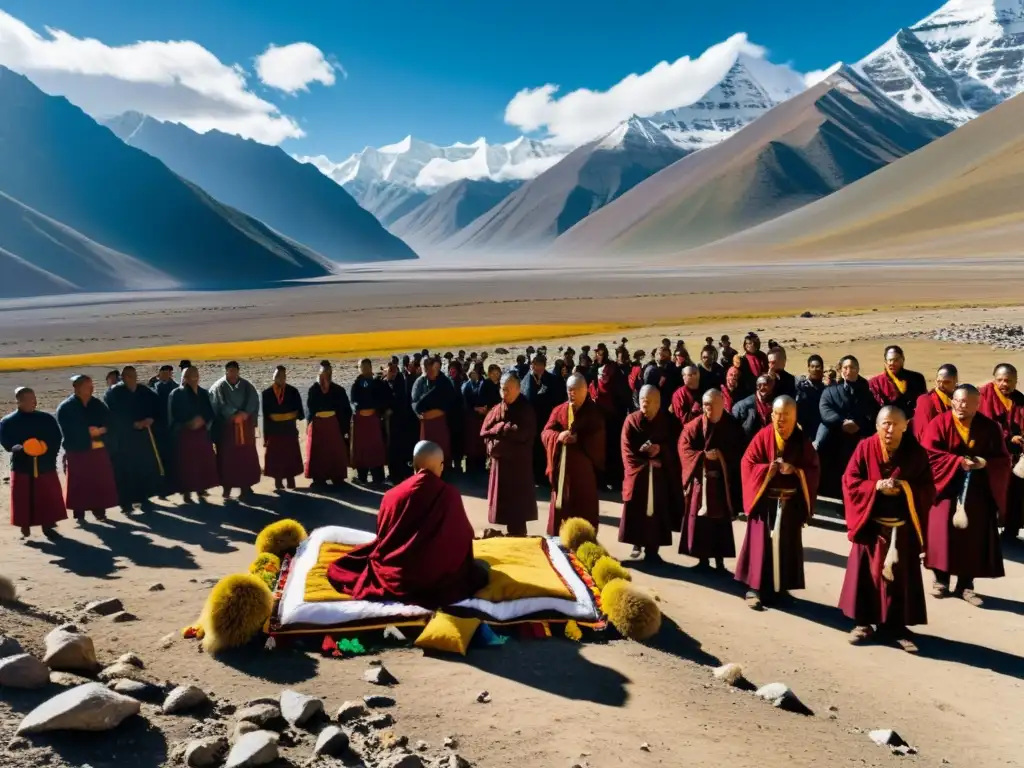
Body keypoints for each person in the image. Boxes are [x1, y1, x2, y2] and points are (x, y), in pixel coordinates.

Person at [326, 441, 488, 608]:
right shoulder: (450, 495)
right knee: (479, 571)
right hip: (438, 577)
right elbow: (464, 536)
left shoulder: (392, 495)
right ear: (440, 465)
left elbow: (383, 539)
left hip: (398, 576)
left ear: (414, 464)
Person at [839, 407, 934, 652]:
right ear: (877, 425)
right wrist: (876, 486)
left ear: (906, 426)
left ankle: (896, 628)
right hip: (871, 526)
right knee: (866, 578)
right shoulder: (865, 447)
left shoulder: (916, 453)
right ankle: (863, 624)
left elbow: (927, 488)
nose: (889, 430)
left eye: (895, 424)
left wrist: (904, 487)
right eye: (885, 424)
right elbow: (850, 480)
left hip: (901, 529)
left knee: (899, 581)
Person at [921, 385, 1009, 606]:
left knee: (972, 539)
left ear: (977, 405)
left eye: (968, 402)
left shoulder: (990, 427)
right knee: (942, 535)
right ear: (953, 402)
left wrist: (984, 463)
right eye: (959, 401)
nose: (962, 405)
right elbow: (928, 455)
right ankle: (940, 580)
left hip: (978, 492)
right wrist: (956, 462)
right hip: (945, 488)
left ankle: (966, 586)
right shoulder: (939, 423)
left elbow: (1003, 459)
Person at [735, 396, 820, 610]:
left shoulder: (802, 442)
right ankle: (754, 589)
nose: (781, 420)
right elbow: (747, 463)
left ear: (795, 417)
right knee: (760, 546)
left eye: (786, 416)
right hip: (765, 502)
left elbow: (813, 469)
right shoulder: (763, 436)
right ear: (771, 415)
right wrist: (767, 470)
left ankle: (780, 588)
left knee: (786, 546)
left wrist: (796, 470)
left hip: (789, 504)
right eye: (777, 415)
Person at [678, 389, 744, 571]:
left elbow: (740, 452)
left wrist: (721, 457)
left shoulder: (732, 425)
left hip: (722, 483)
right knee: (701, 522)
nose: (709, 408)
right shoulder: (695, 425)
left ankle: (720, 561)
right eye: (706, 404)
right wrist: (702, 457)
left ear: (722, 403)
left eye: (713, 404)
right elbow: (684, 447)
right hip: (701, 481)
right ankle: (702, 560)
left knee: (720, 522)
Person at [619, 386, 681, 562]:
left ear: (658, 403)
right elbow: (626, 450)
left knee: (657, 513)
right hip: (639, 475)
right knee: (637, 510)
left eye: (648, 401)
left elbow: (676, 447)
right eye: (642, 401)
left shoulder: (669, 422)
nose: (644, 404)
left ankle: (653, 550)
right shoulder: (631, 420)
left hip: (660, 475)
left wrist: (660, 450)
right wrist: (646, 463)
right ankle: (636, 543)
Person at [542, 374, 606, 536]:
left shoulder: (593, 412)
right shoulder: (559, 410)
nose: (572, 394)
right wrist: (558, 437)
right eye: (570, 390)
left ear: (585, 391)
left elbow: (598, 437)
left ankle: (584, 540)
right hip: (562, 469)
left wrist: (579, 438)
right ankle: (558, 542)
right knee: (561, 506)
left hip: (582, 470)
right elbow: (545, 433)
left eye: (576, 390)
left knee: (584, 506)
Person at [1, 387, 65, 538]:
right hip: (22, 465)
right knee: (24, 498)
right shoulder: (8, 421)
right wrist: (19, 448)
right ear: (19, 401)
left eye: (34, 398)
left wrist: (44, 449)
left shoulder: (46, 419)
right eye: (29, 399)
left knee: (47, 497)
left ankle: (48, 526)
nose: (34, 402)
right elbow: (6, 442)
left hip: (45, 464)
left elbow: (56, 438)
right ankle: (25, 525)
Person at [481, 373, 537, 535]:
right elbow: (485, 431)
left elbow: (522, 434)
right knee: (504, 507)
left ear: (518, 389)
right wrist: (498, 433)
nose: (504, 393)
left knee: (517, 511)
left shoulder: (525, 409)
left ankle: (519, 537)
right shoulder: (498, 408)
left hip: (518, 466)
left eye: (508, 390)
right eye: (502, 389)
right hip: (500, 465)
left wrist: (501, 430)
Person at [56, 375, 118, 523]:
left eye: (91, 385)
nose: (91, 388)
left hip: (97, 448)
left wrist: (101, 431)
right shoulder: (66, 407)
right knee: (79, 481)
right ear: (76, 388)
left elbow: (110, 422)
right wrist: (86, 433)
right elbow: (67, 429)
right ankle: (79, 512)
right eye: (87, 385)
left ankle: (99, 510)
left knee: (98, 480)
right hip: (77, 449)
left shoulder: (97, 404)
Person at [104, 365, 164, 512]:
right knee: (125, 470)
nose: (130, 380)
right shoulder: (114, 393)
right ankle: (125, 502)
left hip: (142, 436)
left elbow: (157, 406)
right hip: (123, 438)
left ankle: (143, 498)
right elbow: (113, 415)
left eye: (132, 377)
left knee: (142, 467)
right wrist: (132, 424)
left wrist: (150, 419)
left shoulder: (144, 391)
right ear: (123, 378)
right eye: (126, 377)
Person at [818, 355, 878, 498]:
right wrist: (842, 422)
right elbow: (825, 410)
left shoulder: (866, 393)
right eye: (845, 367)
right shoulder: (830, 392)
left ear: (857, 370)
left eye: (852, 367)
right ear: (841, 370)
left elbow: (874, 413)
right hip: (834, 438)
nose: (849, 370)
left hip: (858, 439)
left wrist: (859, 424)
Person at [978, 363, 1024, 543]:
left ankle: (1011, 531)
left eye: (1009, 380)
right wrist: (1008, 437)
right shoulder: (983, 396)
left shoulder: (1020, 399)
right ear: (994, 379)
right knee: (988, 493)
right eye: (1000, 380)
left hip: (1014, 456)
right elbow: (984, 424)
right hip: (990, 454)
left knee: (1016, 491)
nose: (1004, 384)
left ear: (1016, 381)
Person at [209, 361, 261, 500]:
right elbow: (218, 404)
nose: (232, 374)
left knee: (246, 457)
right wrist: (232, 414)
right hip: (227, 430)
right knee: (227, 458)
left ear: (238, 371)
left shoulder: (247, 386)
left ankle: (246, 486)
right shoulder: (219, 387)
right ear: (226, 372)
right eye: (229, 371)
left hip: (245, 427)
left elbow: (253, 401)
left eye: (234, 371)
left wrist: (244, 414)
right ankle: (227, 488)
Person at [169, 366, 219, 503]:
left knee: (203, 462)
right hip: (185, 433)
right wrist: (188, 423)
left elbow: (210, 411)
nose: (193, 378)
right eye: (189, 376)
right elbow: (174, 413)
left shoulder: (203, 393)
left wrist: (203, 420)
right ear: (184, 378)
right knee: (187, 464)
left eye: (195, 375)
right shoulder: (176, 393)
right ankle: (186, 492)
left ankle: (201, 488)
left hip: (201, 432)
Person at [590, 345, 632, 491]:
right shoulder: (593, 369)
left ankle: (615, 480)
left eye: (600, 353)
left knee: (613, 447)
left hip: (614, 415)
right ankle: (600, 480)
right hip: (598, 415)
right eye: (596, 352)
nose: (597, 355)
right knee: (599, 448)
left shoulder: (614, 370)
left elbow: (623, 392)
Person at [305, 360, 352, 488]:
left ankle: (338, 477)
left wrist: (344, 426)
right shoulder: (313, 390)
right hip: (318, 425)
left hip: (333, 425)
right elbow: (311, 408)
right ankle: (319, 479)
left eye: (328, 372)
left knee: (335, 451)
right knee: (318, 453)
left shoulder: (338, 390)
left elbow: (345, 409)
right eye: (323, 372)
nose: (326, 375)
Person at [522, 354, 565, 487]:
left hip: (548, 421)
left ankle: (547, 476)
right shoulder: (526, 379)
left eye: (541, 364)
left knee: (547, 449)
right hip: (532, 422)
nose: (539, 367)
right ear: (532, 365)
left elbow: (558, 398)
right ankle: (534, 476)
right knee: (534, 450)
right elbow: (526, 398)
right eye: (536, 364)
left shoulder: (552, 379)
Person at [261, 365, 304, 490]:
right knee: (276, 458)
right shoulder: (267, 393)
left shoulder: (293, 391)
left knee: (290, 457)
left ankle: (291, 481)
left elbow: (300, 413)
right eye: (277, 376)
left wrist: (291, 416)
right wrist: (266, 437)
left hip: (289, 430)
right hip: (274, 431)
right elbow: (265, 417)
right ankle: (278, 482)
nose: (280, 378)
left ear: (285, 377)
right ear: (273, 377)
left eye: (282, 376)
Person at [411, 356, 457, 468]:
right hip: (425, 423)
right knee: (426, 451)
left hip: (440, 422)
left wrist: (437, 411)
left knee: (442, 450)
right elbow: (415, 402)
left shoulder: (444, 382)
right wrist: (419, 414)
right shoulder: (420, 382)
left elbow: (450, 402)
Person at [350, 359, 388, 484]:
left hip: (374, 420)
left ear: (371, 367)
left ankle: (378, 477)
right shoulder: (356, 383)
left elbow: (382, 399)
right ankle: (362, 477)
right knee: (362, 449)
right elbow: (353, 400)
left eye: (366, 366)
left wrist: (375, 410)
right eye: (361, 366)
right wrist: (359, 408)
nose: (363, 369)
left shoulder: (378, 383)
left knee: (376, 447)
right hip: (361, 421)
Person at [868, 346, 928, 419]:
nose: (892, 363)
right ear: (885, 362)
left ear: (902, 360)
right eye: (889, 360)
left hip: (912, 422)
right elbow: (873, 410)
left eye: (896, 360)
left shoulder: (917, 378)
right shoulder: (875, 383)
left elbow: (924, 404)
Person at [381, 360, 414, 483]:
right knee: (391, 448)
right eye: (390, 370)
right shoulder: (384, 383)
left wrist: (392, 409)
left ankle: (403, 473)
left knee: (401, 447)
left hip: (401, 420)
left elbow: (401, 399)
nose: (393, 373)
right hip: (389, 421)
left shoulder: (401, 381)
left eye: (395, 370)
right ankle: (393, 474)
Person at [151, 364, 179, 496]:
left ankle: (172, 484)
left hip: (171, 426)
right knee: (158, 456)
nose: (166, 374)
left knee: (171, 456)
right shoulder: (153, 386)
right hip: (157, 427)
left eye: (168, 372)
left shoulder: (175, 388)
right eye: (164, 372)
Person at [913, 364, 958, 442]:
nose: (941, 385)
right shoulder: (926, 400)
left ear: (955, 380)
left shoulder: (961, 397)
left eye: (946, 382)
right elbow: (924, 432)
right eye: (939, 381)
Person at [461, 363, 491, 475]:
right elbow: (464, 403)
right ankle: (470, 468)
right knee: (471, 443)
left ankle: (481, 465)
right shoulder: (466, 386)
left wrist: (484, 408)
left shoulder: (483, 383)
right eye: (471, 372)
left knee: (480, 443)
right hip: (470, 418)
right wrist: (474, 409)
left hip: (481, 417)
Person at [733, 374, 775, 442]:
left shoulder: (775, 405)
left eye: (766, 385)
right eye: (760, 385)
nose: (762, 388)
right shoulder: (743, 406)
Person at [795, 355, 826, 439]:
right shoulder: (801, 387)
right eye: (812, 366)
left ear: (822, 369)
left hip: (822, 429)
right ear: (808, 369)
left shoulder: (826, 389)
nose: (815, 369)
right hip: (803, 429)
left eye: (818, 367)